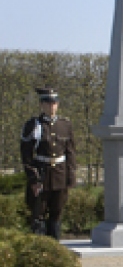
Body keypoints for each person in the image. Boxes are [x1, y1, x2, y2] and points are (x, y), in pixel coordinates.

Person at [20, 87, 76, 240]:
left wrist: (71, 176)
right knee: (38, 213)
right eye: (48, 103)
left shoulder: (65, 125)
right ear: (42, 105)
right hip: (42, 174)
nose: (52, 106)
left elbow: (70, 152)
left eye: (54, 103)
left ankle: (55, 246)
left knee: (57, 213)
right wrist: (33, 178)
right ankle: (40, 247)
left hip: (60, 174)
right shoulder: (34, 125)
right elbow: (26, 154)